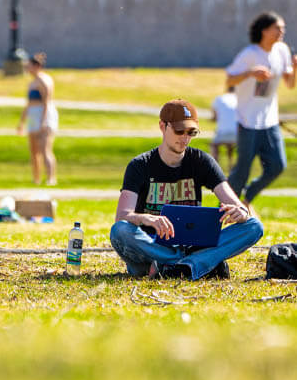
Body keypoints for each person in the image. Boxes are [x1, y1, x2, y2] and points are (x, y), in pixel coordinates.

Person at [109, 99, 263, 280]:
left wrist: (241, 213)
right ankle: (195, 263)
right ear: (162, 126)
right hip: (151, 246)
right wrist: (146, 218)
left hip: (193, 244)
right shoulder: (140, 165)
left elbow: (237, 204)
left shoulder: (201, 161)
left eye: (191, 132)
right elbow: (122, 217)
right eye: (179, 131)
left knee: (254, 226)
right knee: (120, 230)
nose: (185, 138)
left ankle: (182, 266)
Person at [225, 11, 297, 208]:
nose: (282, 31)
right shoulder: (249, 54)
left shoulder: (282, 50)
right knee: (242, 171)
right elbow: (230, 79)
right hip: (247, 120)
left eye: (283, 28)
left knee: (277, 165)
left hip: (270, 120)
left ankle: (247, 196)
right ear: (264, 31)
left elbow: (290, 84)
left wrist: (295, 68)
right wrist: (250, 73)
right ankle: (224, 209)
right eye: (278, 28)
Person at [17, 52, 58, 186]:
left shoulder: (44, 81)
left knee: (45, 148)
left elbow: (46, 101)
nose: (27, 68)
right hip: (33, 115)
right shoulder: (32, 82)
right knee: (34, 150)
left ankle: (51, 178)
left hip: (44, 115)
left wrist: (43, 120)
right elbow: (28, 104)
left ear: (37, 66)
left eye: (29, 66)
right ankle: (37, 179)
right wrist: (21, 122)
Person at [210, 85, 238, 171]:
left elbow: (214, 117)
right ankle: (230, 166)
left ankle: (215, 168)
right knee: (230, 146)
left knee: (214, 145)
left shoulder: (219, 99)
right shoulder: (240, 99)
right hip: (237, 134)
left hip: (223, 132)